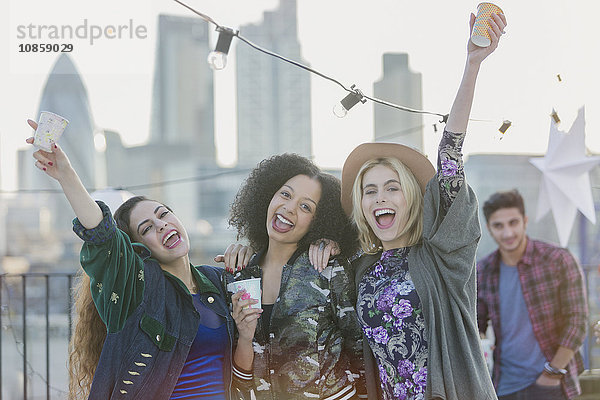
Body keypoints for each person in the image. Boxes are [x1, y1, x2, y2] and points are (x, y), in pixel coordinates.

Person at [308, 11, 507, 400]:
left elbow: (450, 153)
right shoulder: (362, 268)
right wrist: (327, 246)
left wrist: (472, 64)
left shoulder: (443, 257)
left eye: (392, 188)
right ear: (362, 207)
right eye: (369, 191)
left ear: (412, 199)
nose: (380, 197)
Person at [25, 120, 258, 400]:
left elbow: (240, 373)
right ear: (136, 248)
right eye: (146, 228)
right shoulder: (138, 290)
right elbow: (103, 236)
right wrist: (66, 175)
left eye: (163, 214)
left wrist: (245, 333)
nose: (160, 225)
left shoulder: (217, 282)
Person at [223, 153, 366, 399]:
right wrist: (245, 338)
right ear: (268, 195)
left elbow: (359, 352)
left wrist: (335, 244)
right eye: (286, 194)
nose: (289, 208)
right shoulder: (238, 277)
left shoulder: (329, 269)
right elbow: (239, 379)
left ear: (318, 221)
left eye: (305, 206)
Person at [477, 189, 588, 400]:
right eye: (498, 226)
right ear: (489, 229)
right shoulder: (484, 270)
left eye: (513, 223)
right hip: (503, 385)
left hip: (550, 384)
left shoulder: (558, 260)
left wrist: (552, 373)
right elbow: (475, 325)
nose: (508, 233)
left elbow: (578, 321)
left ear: (525, 221)